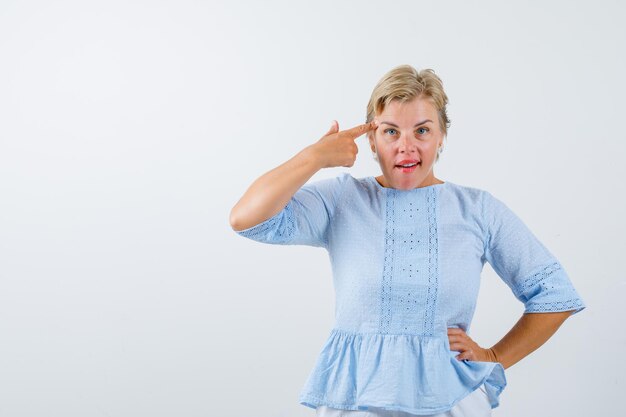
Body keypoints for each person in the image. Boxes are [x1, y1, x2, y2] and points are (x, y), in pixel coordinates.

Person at [229, 65, 586, 417]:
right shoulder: (343, 199)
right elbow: (246, 218)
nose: (406, 147)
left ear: (442, 135)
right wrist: (315, 156)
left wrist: (494, 357)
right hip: (353, 401)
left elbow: (555, 293)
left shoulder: (478, 210)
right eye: (390, 132)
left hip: (450, 402)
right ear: (370, 139)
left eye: (422, 130)